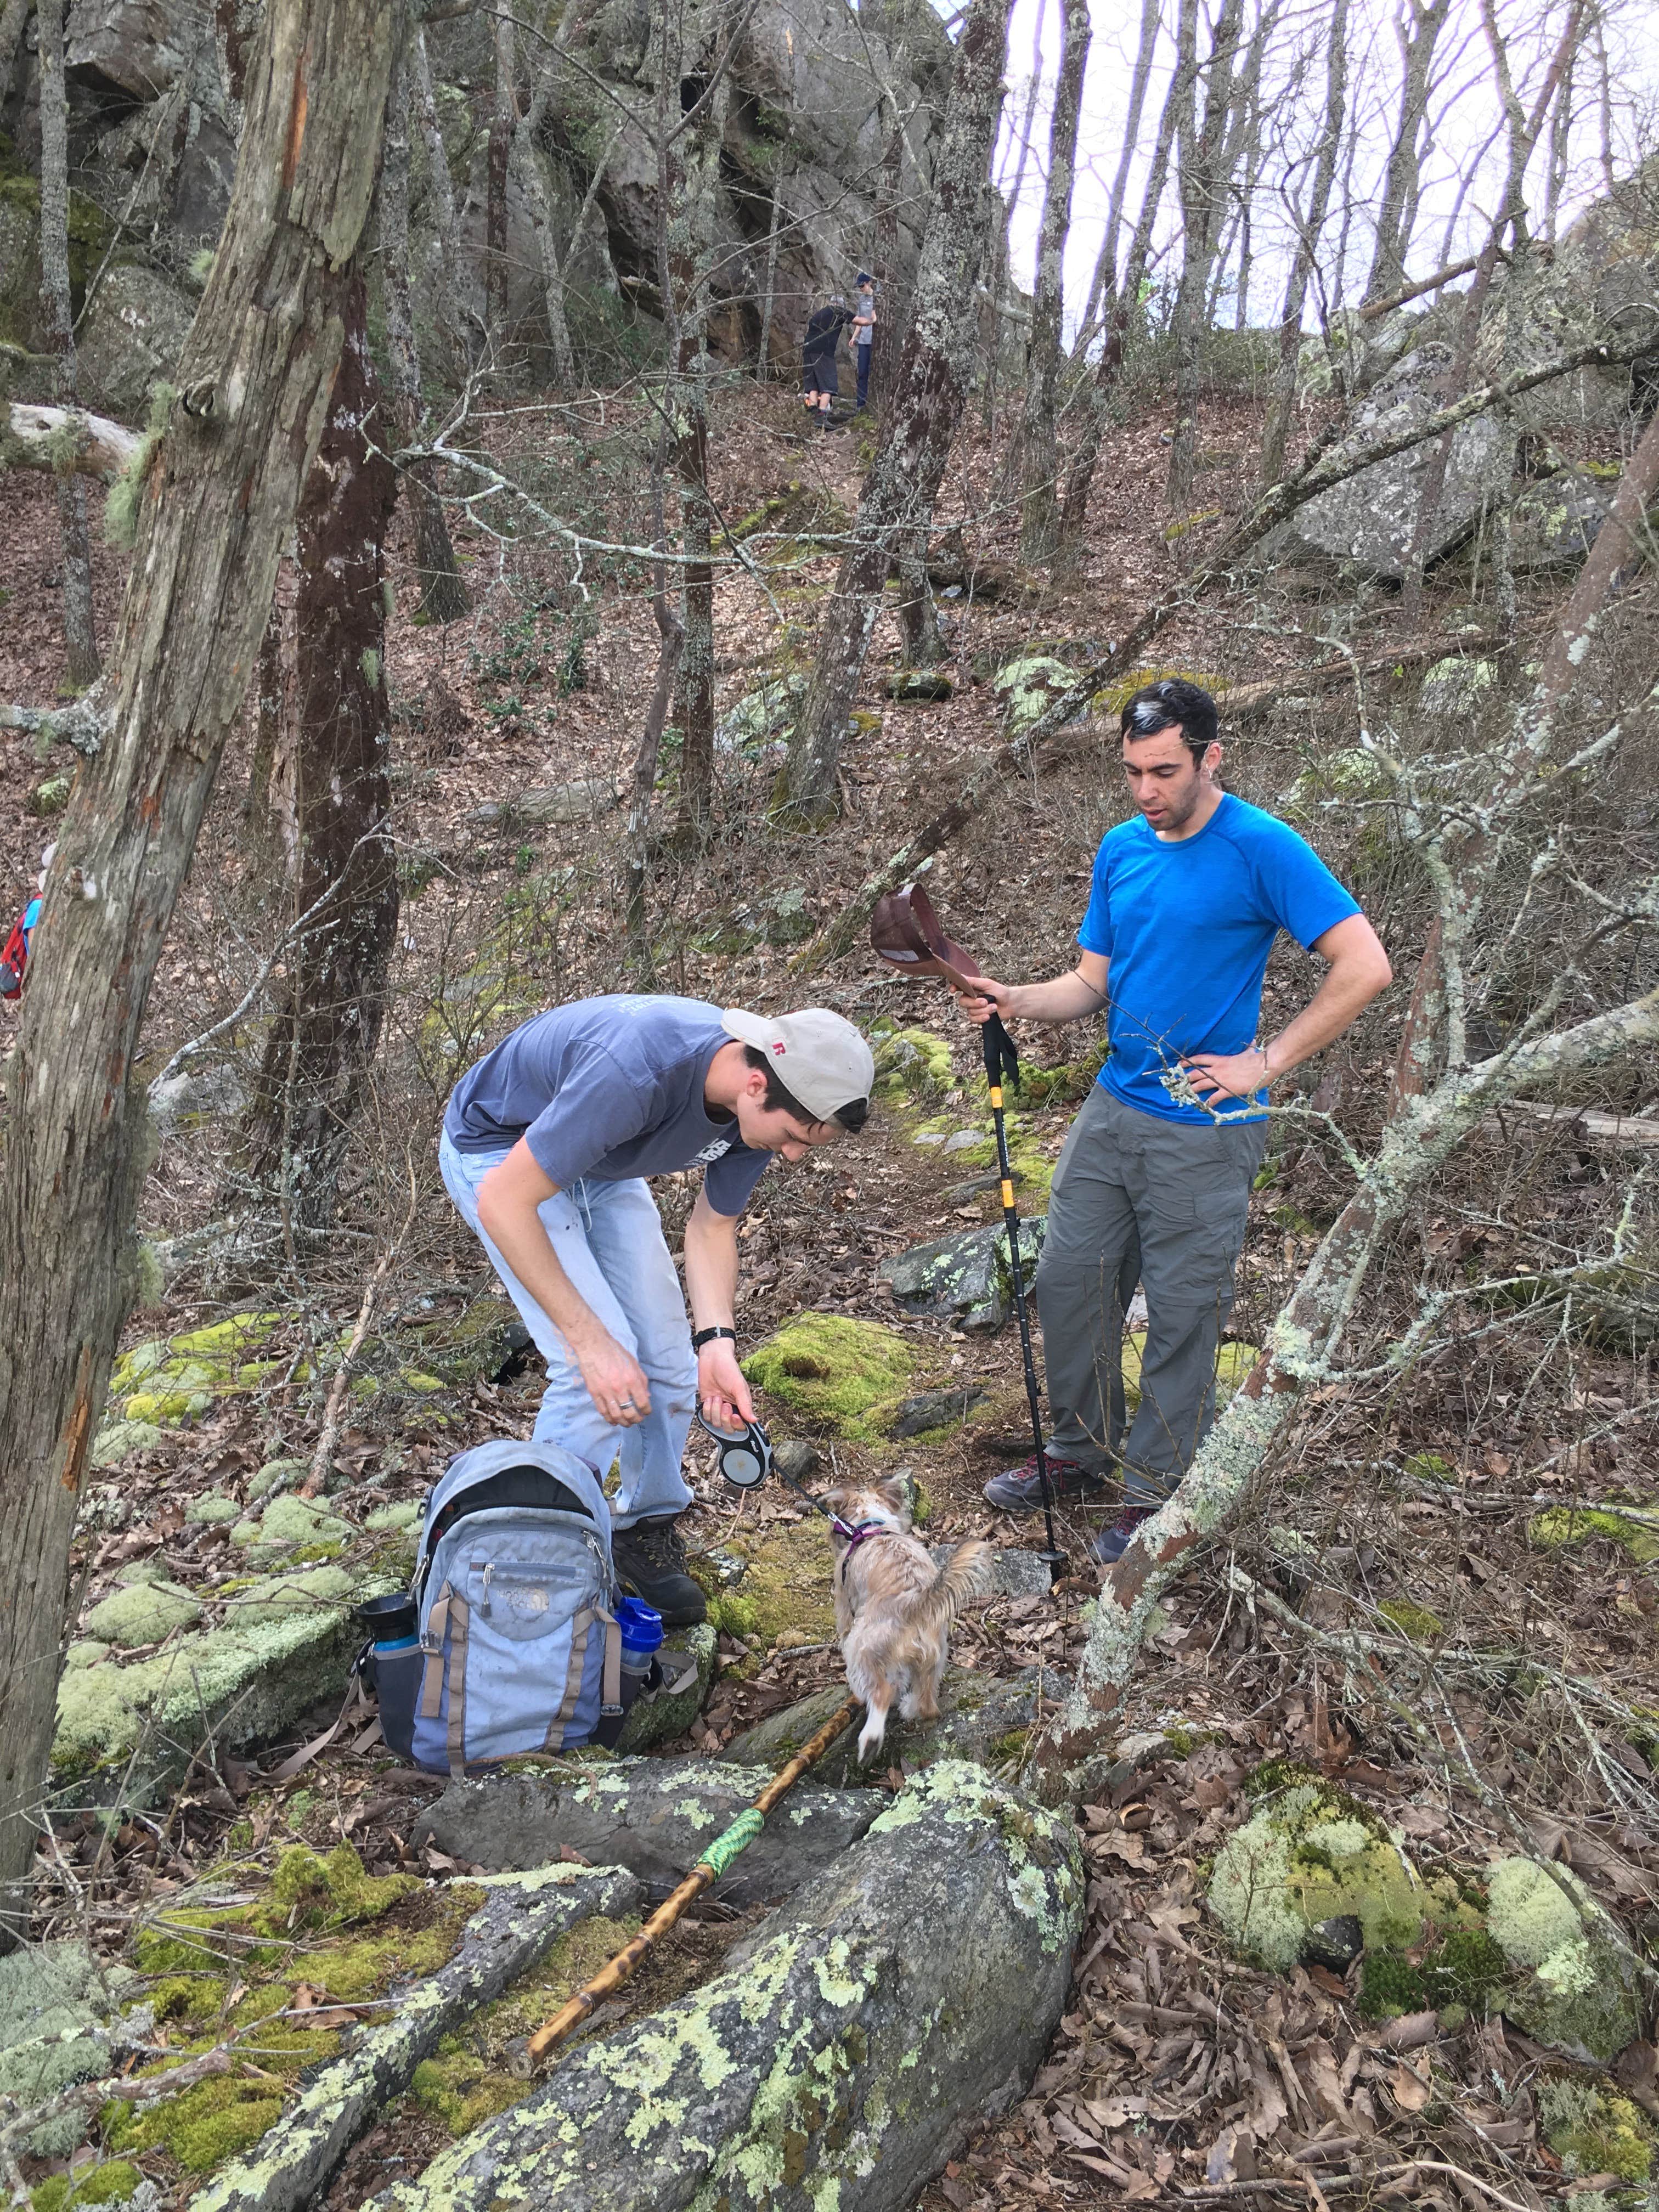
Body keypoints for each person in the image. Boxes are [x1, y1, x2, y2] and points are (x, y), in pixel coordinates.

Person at [958, 679, 1391, 1563]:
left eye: (1163, 771)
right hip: (1115, 1106)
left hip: (1207, 1125)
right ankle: (1080, 1448)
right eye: (1132, 772)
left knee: (1184, 1313)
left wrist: (1265, 1062)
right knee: (1070, 1280)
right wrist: (1013, 998)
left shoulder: (1263, 847)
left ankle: (1153, 1491)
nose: (1147, 790)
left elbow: (1365, 964)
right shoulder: (1122, 849)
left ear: (1210, 758)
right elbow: (1092, 984)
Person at [440, 997, 875, 1621]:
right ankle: (531, 1577)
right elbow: (506, 1203)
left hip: (604, 1161)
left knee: (671, 1366)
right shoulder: (635, 1070)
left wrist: (717, 1345)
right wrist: (591, 1343)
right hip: (502, 1151)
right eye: (794, 1137)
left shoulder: (759, 1105)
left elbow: (712, 1229)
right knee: (592, 1373)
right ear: (756, 1084)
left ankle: (640, 1527)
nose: (794, 1156)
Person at [801, 294, 851, 429]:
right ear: (839, 305)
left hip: (808, 352)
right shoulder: (838, 312)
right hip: (824, 354)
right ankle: (821, 417)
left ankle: (811, 415)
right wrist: (871, 319)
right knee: (829, 385)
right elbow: (859, 320)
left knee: (813, 386)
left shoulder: (818, 315)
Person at [852, 273, 876, 410]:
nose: (861, 289)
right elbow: (859, 320)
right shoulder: (861, 300)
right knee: (862, 372)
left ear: (868, 283)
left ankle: (872, 403)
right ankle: (860, 404)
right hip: (864, 340)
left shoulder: (877, 298)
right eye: (859, 287)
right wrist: (854, 336)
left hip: (874, 339)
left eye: (862, 286)